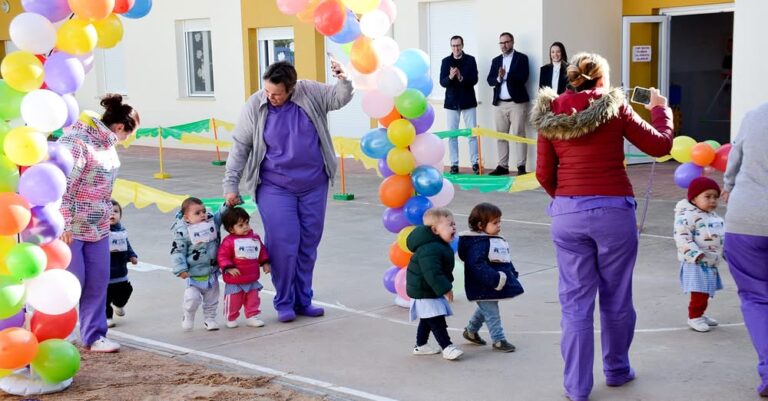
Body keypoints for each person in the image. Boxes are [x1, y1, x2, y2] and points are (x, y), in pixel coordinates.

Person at [530, 52, 673, 401]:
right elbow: (660, 144)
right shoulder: (617, 108)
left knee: (575, 305)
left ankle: (577, 388)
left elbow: (543, 173)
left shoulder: (550, 115)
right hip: (614, 212)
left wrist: (565, 199)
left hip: (568, 214)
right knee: (617, 297)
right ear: (601, 80)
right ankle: (617, 370)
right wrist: (660, 109)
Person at [223, 60, 353, 323]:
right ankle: (284, 301)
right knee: (284, 244)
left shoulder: (310, 92)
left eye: (277, 93)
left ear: (291, 88)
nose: (271, 97)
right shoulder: (256, 104)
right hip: (274, 185)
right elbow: (240, 146)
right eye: (268, 92)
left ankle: (303, 299)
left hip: (313, 184)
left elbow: (339, 99)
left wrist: (344, 80)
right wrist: (231, 184)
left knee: (308, 244)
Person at [58, 94, 140, 353]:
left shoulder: (107, 144)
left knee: (97, 281)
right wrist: (64, 224)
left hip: (99, 226)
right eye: (129, 133)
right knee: (72, 284)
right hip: (72, 229)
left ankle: (93, 336)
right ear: (119, 127)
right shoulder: (77, 141)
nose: (127, 139)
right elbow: (63, 186)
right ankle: (58, 332)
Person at [721, 101, 768, 397]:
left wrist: (728, 184)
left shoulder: (754, 116)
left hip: (746, 219)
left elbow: (734, 161)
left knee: (755, 298)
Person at [458, 202, 524, 353]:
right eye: (495, 222)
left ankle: (470, 331)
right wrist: (495, 279)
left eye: (499, 221)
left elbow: (503, 258)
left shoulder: (492, 239)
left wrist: (511, 273)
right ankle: (499, 340)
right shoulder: (478, 243)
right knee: (491, 312)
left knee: (486, 308)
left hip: (491, 284)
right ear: (481, 225)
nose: (499, 225)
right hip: (483, 283)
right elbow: (477, 264)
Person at [406, 207, 463, 361]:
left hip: (427, 289)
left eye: (454, 224)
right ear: (435, 230)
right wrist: (445, 288)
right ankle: (447, 347)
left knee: (427, 318)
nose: (454, 227)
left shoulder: (438, 245)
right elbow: (432, 273)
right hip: (423, 289)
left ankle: (421, 345)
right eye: (450, 224)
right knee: (437, 319)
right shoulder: (430, 249)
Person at [674, 177, 724, 333]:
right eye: (707, 197)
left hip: (710, 260)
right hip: (696, 262)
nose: (712, 201)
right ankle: (694, 316)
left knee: (706, 290)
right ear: (694, 199)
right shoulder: (686, 216)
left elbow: (722, 237)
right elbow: (682, 238)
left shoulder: (714, 217)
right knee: (699, 291)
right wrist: (696, 254)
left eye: (715, 197)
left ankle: (700, 314)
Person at [170, 197, 223, 332]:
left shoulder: (211, 223)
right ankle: (188, 315)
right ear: (187, 218)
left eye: (203, 211)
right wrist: (180, 268)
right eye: (197, 213)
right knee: (191, 299)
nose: (202, 215)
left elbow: (221, 215)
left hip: (211, 272)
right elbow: (177, 250)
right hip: (193, 274)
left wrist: (227, 205)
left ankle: (210, 319)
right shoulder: (182, 231)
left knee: (212, 299)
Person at [217, 207, 270, 329]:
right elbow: (222, 256)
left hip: (251, 277)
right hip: (235, 279)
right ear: (231, 229)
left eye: (247, 223)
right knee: (233, 301)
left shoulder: (254, 238)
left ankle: (252, 316)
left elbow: (261, 251)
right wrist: (228, 268)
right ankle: (231, 317)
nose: (245, 226)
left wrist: (265, 263)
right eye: (241, 225)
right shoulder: (228, 242)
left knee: (253, 299)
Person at [486, 32, 530, 176]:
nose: (504, 45)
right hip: (499, 104)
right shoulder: (496, 60)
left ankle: (521, 167)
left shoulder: (521, 58)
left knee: (519, 135)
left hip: (517, 103)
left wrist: (507, 75)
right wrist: (499, 78)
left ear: (512, 42)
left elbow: (524, 77)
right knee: (501, 136)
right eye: (501, 43)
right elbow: (490, 80)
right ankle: (503, 166)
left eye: (506, 42)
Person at [439, 35, 479, 174]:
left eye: (458, 45)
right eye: (453, 46)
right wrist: (450, 77)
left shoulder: (470, 60)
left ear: (462, 45)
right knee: (452, 135)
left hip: (468, 101)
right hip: (451, 102)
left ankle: (475, 163)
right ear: (451, 46)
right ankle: (454, 164)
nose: (456, 48)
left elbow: (474, 79)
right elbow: (442, 82)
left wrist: (461, 77)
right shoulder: (445, 61)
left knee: (472, 134)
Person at [106, 199, 137, 329]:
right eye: (108, 212)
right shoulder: (99, 232)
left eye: (116, 211)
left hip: (121, 272)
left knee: (125, 291)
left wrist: (132, 255)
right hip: (105, 274)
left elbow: (127, 244)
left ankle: (119, 304)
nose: (112, 214)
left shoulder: (121, 231)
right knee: (104, 299)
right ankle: (107, 317)